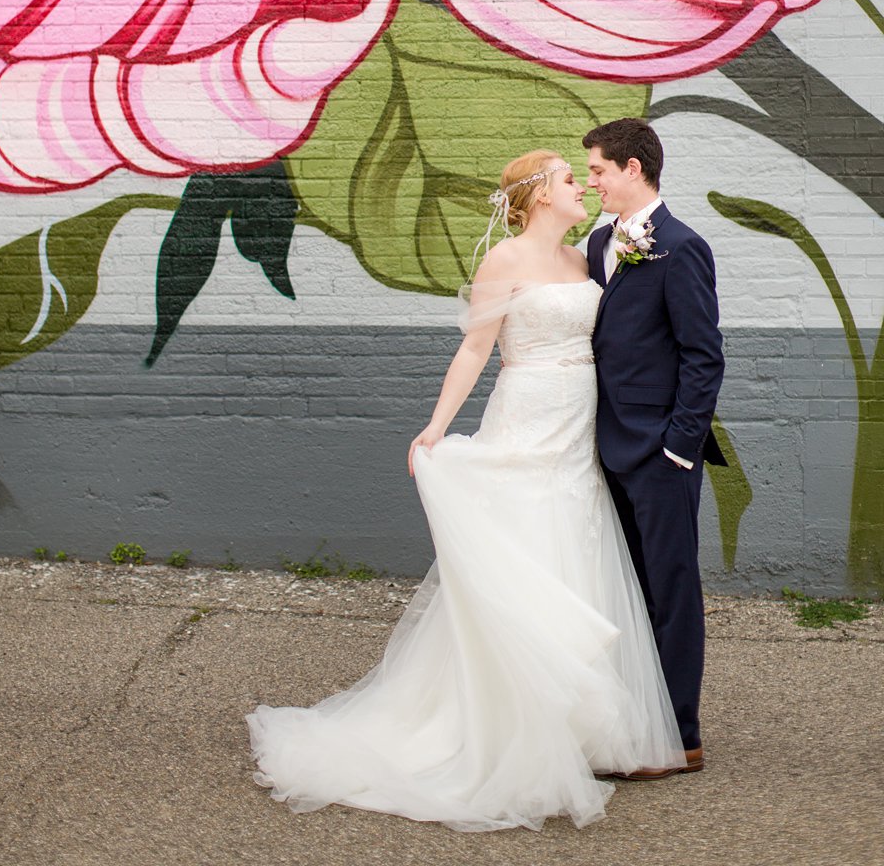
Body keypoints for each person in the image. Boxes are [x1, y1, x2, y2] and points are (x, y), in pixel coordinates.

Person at [246, 150, 685, 833]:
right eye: (571, 179)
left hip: (579, 427)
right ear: (540, 195)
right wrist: (435, 427)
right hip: (528, 412)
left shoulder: (591, 256)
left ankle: (576, 729)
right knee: (528, 552)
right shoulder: (503, 263)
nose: (582, 187)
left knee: (579, 546)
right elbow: (476, 350)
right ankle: (510, 734)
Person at [583, 118, 727, 775]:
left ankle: (679, 736)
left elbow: (703, 356)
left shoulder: (682, 246)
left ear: (633, 168)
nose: (592, 183)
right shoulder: (597, 245)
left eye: (598, 171)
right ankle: (630, 723)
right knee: (625, 589)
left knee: (670, 590)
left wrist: (680, 446)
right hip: (605, 448)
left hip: (661, 454)